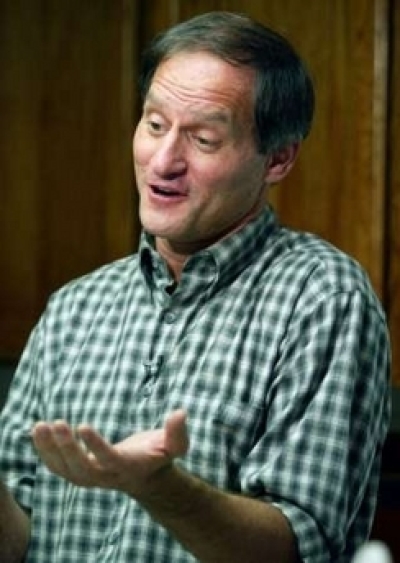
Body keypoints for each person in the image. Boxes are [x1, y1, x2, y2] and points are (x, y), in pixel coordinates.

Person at [0, 11, 391, 563]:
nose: (163, 161)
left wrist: (161, 487)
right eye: (154, 125)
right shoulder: (73, 308)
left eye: (203, 139)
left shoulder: (324, 298)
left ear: (278, 158)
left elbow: (301, 547)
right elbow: (18, 537)